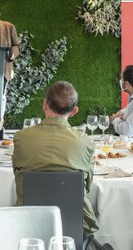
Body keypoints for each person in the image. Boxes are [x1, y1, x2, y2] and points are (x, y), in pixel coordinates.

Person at [12, 81, 99, 236]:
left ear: (45, 104)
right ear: (74, 111)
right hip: (73, 224)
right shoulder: (86, 142)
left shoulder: (21, 138)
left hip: (26, 219)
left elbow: (17, 175)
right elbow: (86, 186)